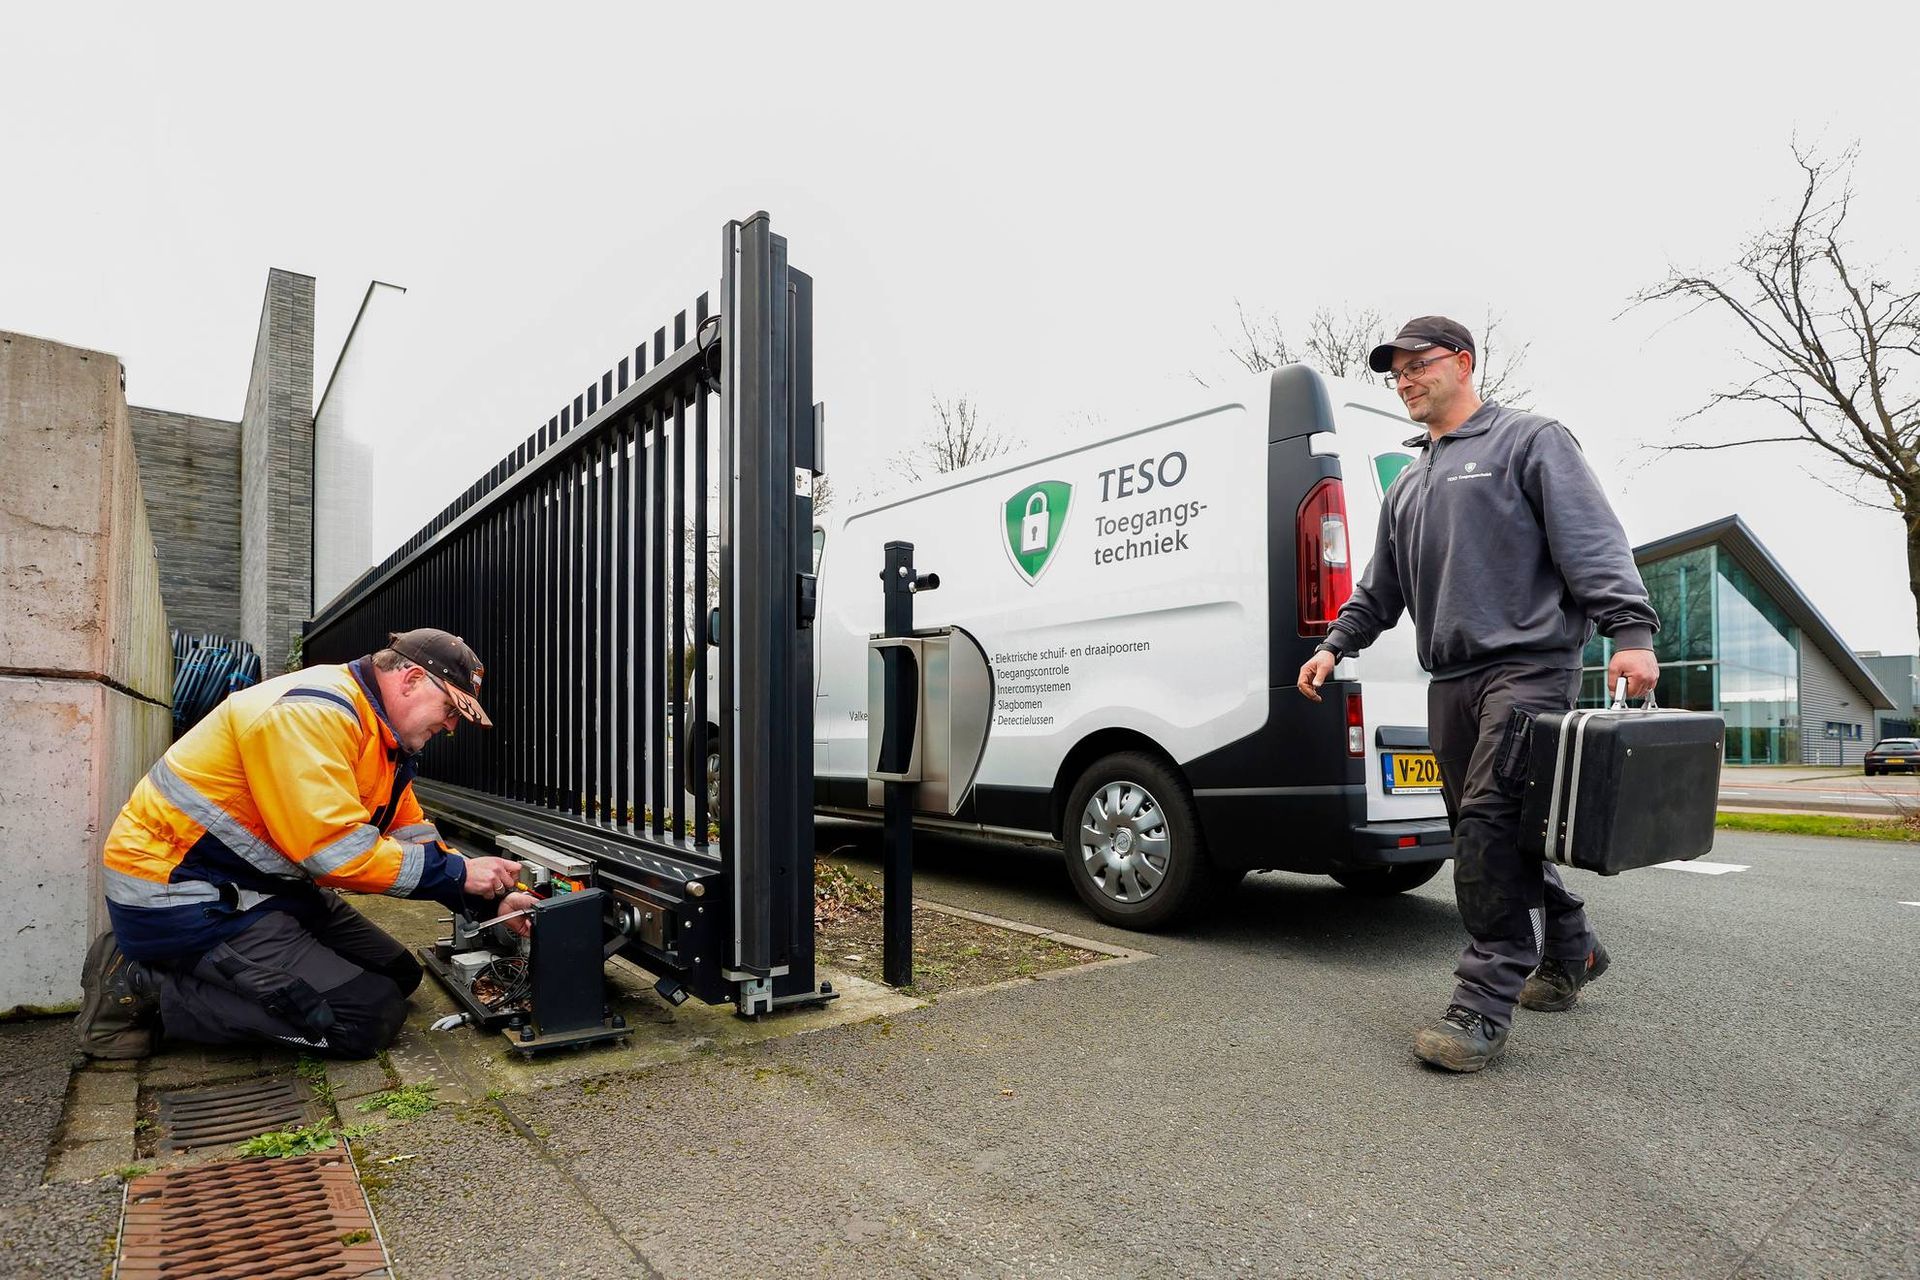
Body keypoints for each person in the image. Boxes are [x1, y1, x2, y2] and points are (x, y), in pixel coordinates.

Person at [1296, 316, 1659, 1073]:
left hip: (1529, 665)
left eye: (1417, 364)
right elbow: (1380, 590)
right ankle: (1573, 948)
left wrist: (1632, 632)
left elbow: (1593, 540)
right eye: (1394, 371)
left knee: (1491, 822)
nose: (1405, 379)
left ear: (1462, 363)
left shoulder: (1529, 441)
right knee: (1490, 829)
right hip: (1451, 678)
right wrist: (1335, 645)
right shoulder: (1410, 482)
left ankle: (1484, 1000)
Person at [78, 628, 537, 1060]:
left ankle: (237, 978)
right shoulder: (313, 714)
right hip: (185, 899)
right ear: (412, 679)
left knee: (399, 975)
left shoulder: (378, 735)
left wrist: (493, 900)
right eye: (451, 709)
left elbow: (412, 835)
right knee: (365, 1018)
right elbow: (336, 854)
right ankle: (140, 983)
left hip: (261, 886)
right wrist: (459, 873)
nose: (452, 726)